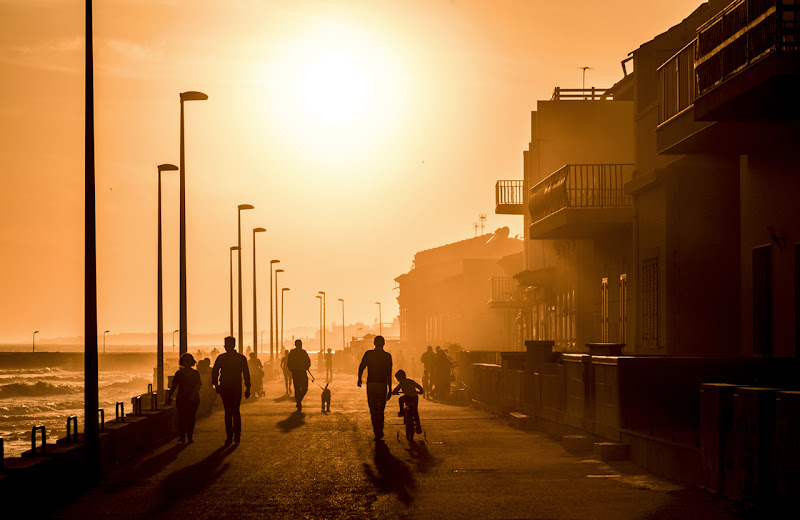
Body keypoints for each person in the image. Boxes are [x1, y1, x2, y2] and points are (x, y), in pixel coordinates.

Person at [212, 336, 251, 444]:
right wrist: (248, 388)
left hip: (230, 387)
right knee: (232, 412)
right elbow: (246, 374)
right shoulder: (240, 358)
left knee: (231, 412)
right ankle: (233, 436)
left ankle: (233, 436)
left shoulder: (222, 358)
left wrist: (216, 385)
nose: (227, 347)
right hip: (232, 387)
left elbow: (215, 372)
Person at [357, 335, 392, 441]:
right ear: (384, 343)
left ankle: (376, 431)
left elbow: (361, 366)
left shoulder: (369, 354)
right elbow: (388, 373)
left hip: (371, 384)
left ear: (374, 343)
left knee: (373, 410)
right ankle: (380, 430)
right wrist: (390, 388)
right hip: (382, 385)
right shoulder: (387, 356)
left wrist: (359, 379)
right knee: (380, 410)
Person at [166, 353, 202, 443]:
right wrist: (169, 396)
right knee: (181, 417)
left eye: (189, 360)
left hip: (193, 398)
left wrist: (193, 395)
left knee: (191, 417)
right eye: (185, 360)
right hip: (182, 398)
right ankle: (182, 436)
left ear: (192, 362)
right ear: (182, 362)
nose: (187, 362)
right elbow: (174, 386)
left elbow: (198, 385)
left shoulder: (195, 373)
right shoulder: (178, 373)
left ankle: (189, 436)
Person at [391, 369, 423, 434]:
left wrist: (394, 392)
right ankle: (418, 426)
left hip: (407, 397)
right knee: (415, 411)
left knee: (400, 399)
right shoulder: (411, 381)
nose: (397, 380)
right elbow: (419, 387)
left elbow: (396, 389)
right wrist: (420, 391)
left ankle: (401, 411)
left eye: (397, 378)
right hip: (414, 397)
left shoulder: (402, 383)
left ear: (400, 378)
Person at [287, 339, 313, 411]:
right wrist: (306, 366)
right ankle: (299, 401)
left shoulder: (293, 352)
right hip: (300, 372)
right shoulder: (302, 352)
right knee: (302, 388)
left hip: (297, 372)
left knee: (299, 388)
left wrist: (291, 369)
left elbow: (289, 362)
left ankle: (298, 400)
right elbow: (308, 361)